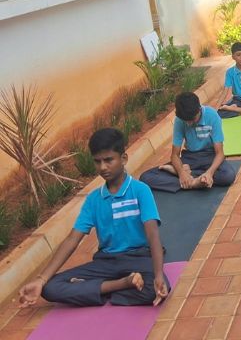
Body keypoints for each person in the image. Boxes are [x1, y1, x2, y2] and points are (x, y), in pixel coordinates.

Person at [17, 128, 170, 308]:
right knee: (50, 288)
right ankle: (123, 284)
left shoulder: (140, 190)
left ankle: (99, 289)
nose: (103, 167)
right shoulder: (93, 199)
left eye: (109, 160)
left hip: (137, 258)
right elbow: (72, 240)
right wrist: (41, 280)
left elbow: (153, 235)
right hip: (106, 263)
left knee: (158, 287)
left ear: (123, 159)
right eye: (97, 161)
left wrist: (158, 275)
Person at [140, 92, 236, 193]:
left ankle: (187, 177)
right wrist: (182, 173)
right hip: (190, 158)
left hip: (209, 156)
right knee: (146, 177)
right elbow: (174, 155)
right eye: (185, 120)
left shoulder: (212, 115)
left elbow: (220, 153)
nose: (189, 123)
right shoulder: (179, 120)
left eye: (192, 119)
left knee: (228, 176)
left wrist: (209, 173)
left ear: (199, 109)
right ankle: (195, 183)